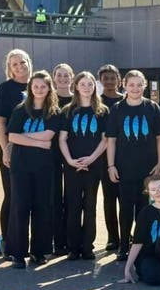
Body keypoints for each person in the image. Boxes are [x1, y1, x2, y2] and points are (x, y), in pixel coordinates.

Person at [106, 70, 160, 261]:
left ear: (144, 86)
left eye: (139, 85)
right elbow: (111, 140)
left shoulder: (152, 107)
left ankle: (141, 245)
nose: (135, 88)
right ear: (124, 85)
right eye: (132, 84)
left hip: (147, 168)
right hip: (124, 167)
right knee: (125, 208)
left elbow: (159, 138)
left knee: (144, 209)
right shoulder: (117, 109)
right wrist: (111, 165)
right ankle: (123, 246)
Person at [6, 70, 60, 268]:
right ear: (30, 88)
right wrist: (38, 143)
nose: (39, 89)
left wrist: (27, 138)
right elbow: (12, 137)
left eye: (43, 86)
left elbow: (49, 136)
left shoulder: (53, 112)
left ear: (48, 89)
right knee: (20, 207)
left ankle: (38, 251)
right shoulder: (21, 109)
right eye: (35, 86)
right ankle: (18, 253)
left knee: (42, 208)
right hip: (21, 167)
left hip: (43, 168)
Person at [59, 71, 108, 260]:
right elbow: (62, 139)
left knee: (90, 205)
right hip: (72, 166)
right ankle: (73, 247)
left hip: (93, 165)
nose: (87, 88)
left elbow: (105, 140)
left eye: (90, 84)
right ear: (76, 87)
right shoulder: (68, 111)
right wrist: (71, 161)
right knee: (73, 206)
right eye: (83, 84)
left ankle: (87, 246)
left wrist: (91, 159)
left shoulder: (102, 111)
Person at [0, 49, 32, 257]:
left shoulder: (38, 84)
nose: (19, 67)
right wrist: (6, 148)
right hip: (12, 149)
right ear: (9, 68)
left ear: (29, 62)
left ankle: (26, 243)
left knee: (29, 197)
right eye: (14, 64)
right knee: (12, 196)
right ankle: (8, 241)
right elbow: (0, 122)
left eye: (22, 62)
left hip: (34, 150)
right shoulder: (6, 89)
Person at [98, 64, 124, 250]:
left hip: (125, 158)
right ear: (100, 80)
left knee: (126, 199)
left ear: (119, 79)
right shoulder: (96, 102)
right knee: (109, 199)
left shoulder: (126, 101)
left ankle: (126, 235)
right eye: (105, 78)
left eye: (112, 77)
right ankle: (113, 237)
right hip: (103, 159)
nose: (109, 81)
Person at [51, 63, 74, 256]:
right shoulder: (48, 100)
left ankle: (71, 238)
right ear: (54, 77)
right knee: (54, 198)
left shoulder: (78, 99)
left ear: (72, 78)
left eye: (67, 75)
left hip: (72, 155)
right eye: (59, 75)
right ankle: (58, 241)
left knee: (72, 199)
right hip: (50, 155)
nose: (63, 78)